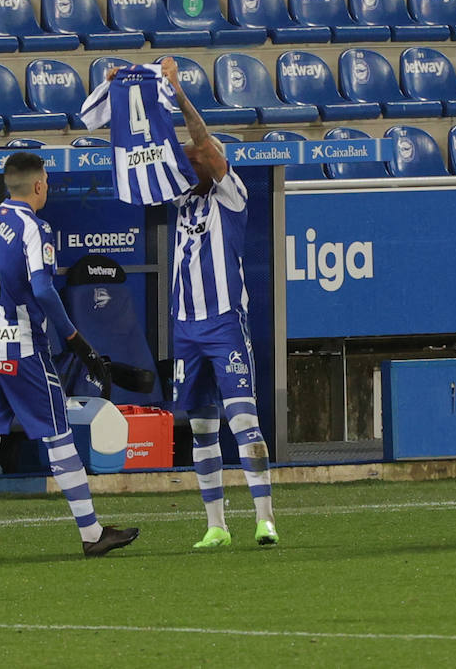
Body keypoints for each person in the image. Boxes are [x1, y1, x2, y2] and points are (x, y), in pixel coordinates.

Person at [0, 151, 139, 560]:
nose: (47, 186)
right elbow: (44, 289)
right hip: (22, 348)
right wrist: (74, 338)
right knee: (58, 433)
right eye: (46, 180)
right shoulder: (35, 228)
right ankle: (91, 533)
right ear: (37, 185)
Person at [153, 57, 278, 549]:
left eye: (195, 157)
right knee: (202, 426)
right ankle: (216, 526)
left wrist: (179, 93)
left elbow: (201, 140)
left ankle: (265, 518)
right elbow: (157, 151)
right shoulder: (182, 199)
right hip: (186, 327)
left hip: (224, 323)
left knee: (244, 420)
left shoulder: (231, 194)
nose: (188, 160)